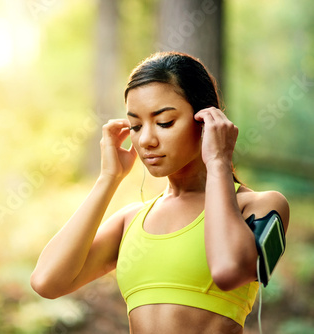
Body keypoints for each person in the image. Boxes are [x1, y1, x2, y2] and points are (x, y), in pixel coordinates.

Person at [30, 51, 290, 334]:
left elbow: (228, 271)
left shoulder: (259, 205)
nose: (146, 140)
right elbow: (47, 281)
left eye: (164, 122)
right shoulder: (131, 220)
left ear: (206, 120)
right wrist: (108, 178)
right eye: (136, 126)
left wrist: (218, 161)